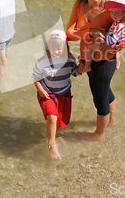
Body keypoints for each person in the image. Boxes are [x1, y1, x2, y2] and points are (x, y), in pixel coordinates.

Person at [66, 0, 125, 141]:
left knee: (99, 98)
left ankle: (98, 134)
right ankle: (111, 120)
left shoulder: (112, 9)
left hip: (105, 61)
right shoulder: (79, 5)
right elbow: (69, 33)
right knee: (106, 91)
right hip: (87, 57)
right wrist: (90, 32)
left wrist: (116, 50)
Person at [33, 30, 83, 160]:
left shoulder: (70, 59)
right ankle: (52, 143)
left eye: (59, 49)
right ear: (48, 48)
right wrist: (40, 90)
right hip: (47, 93)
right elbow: (36, 77)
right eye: (53, 48)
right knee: (52, 116)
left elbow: (75, 72)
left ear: (65, 48)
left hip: (64, 93)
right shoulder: (42, 62)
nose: (56, 51)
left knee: (60, 119)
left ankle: (54, 135)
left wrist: (84, 64)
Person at [81, 0, 125, 72]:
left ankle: (87, 66)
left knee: (90, 48)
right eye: (112, 12)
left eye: (117, 12)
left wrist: (105, 43)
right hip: (120, 44)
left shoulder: (118, 26)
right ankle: (117, 63)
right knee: (117, 51)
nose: (113, 15)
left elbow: (111, 40)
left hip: (112, 46)